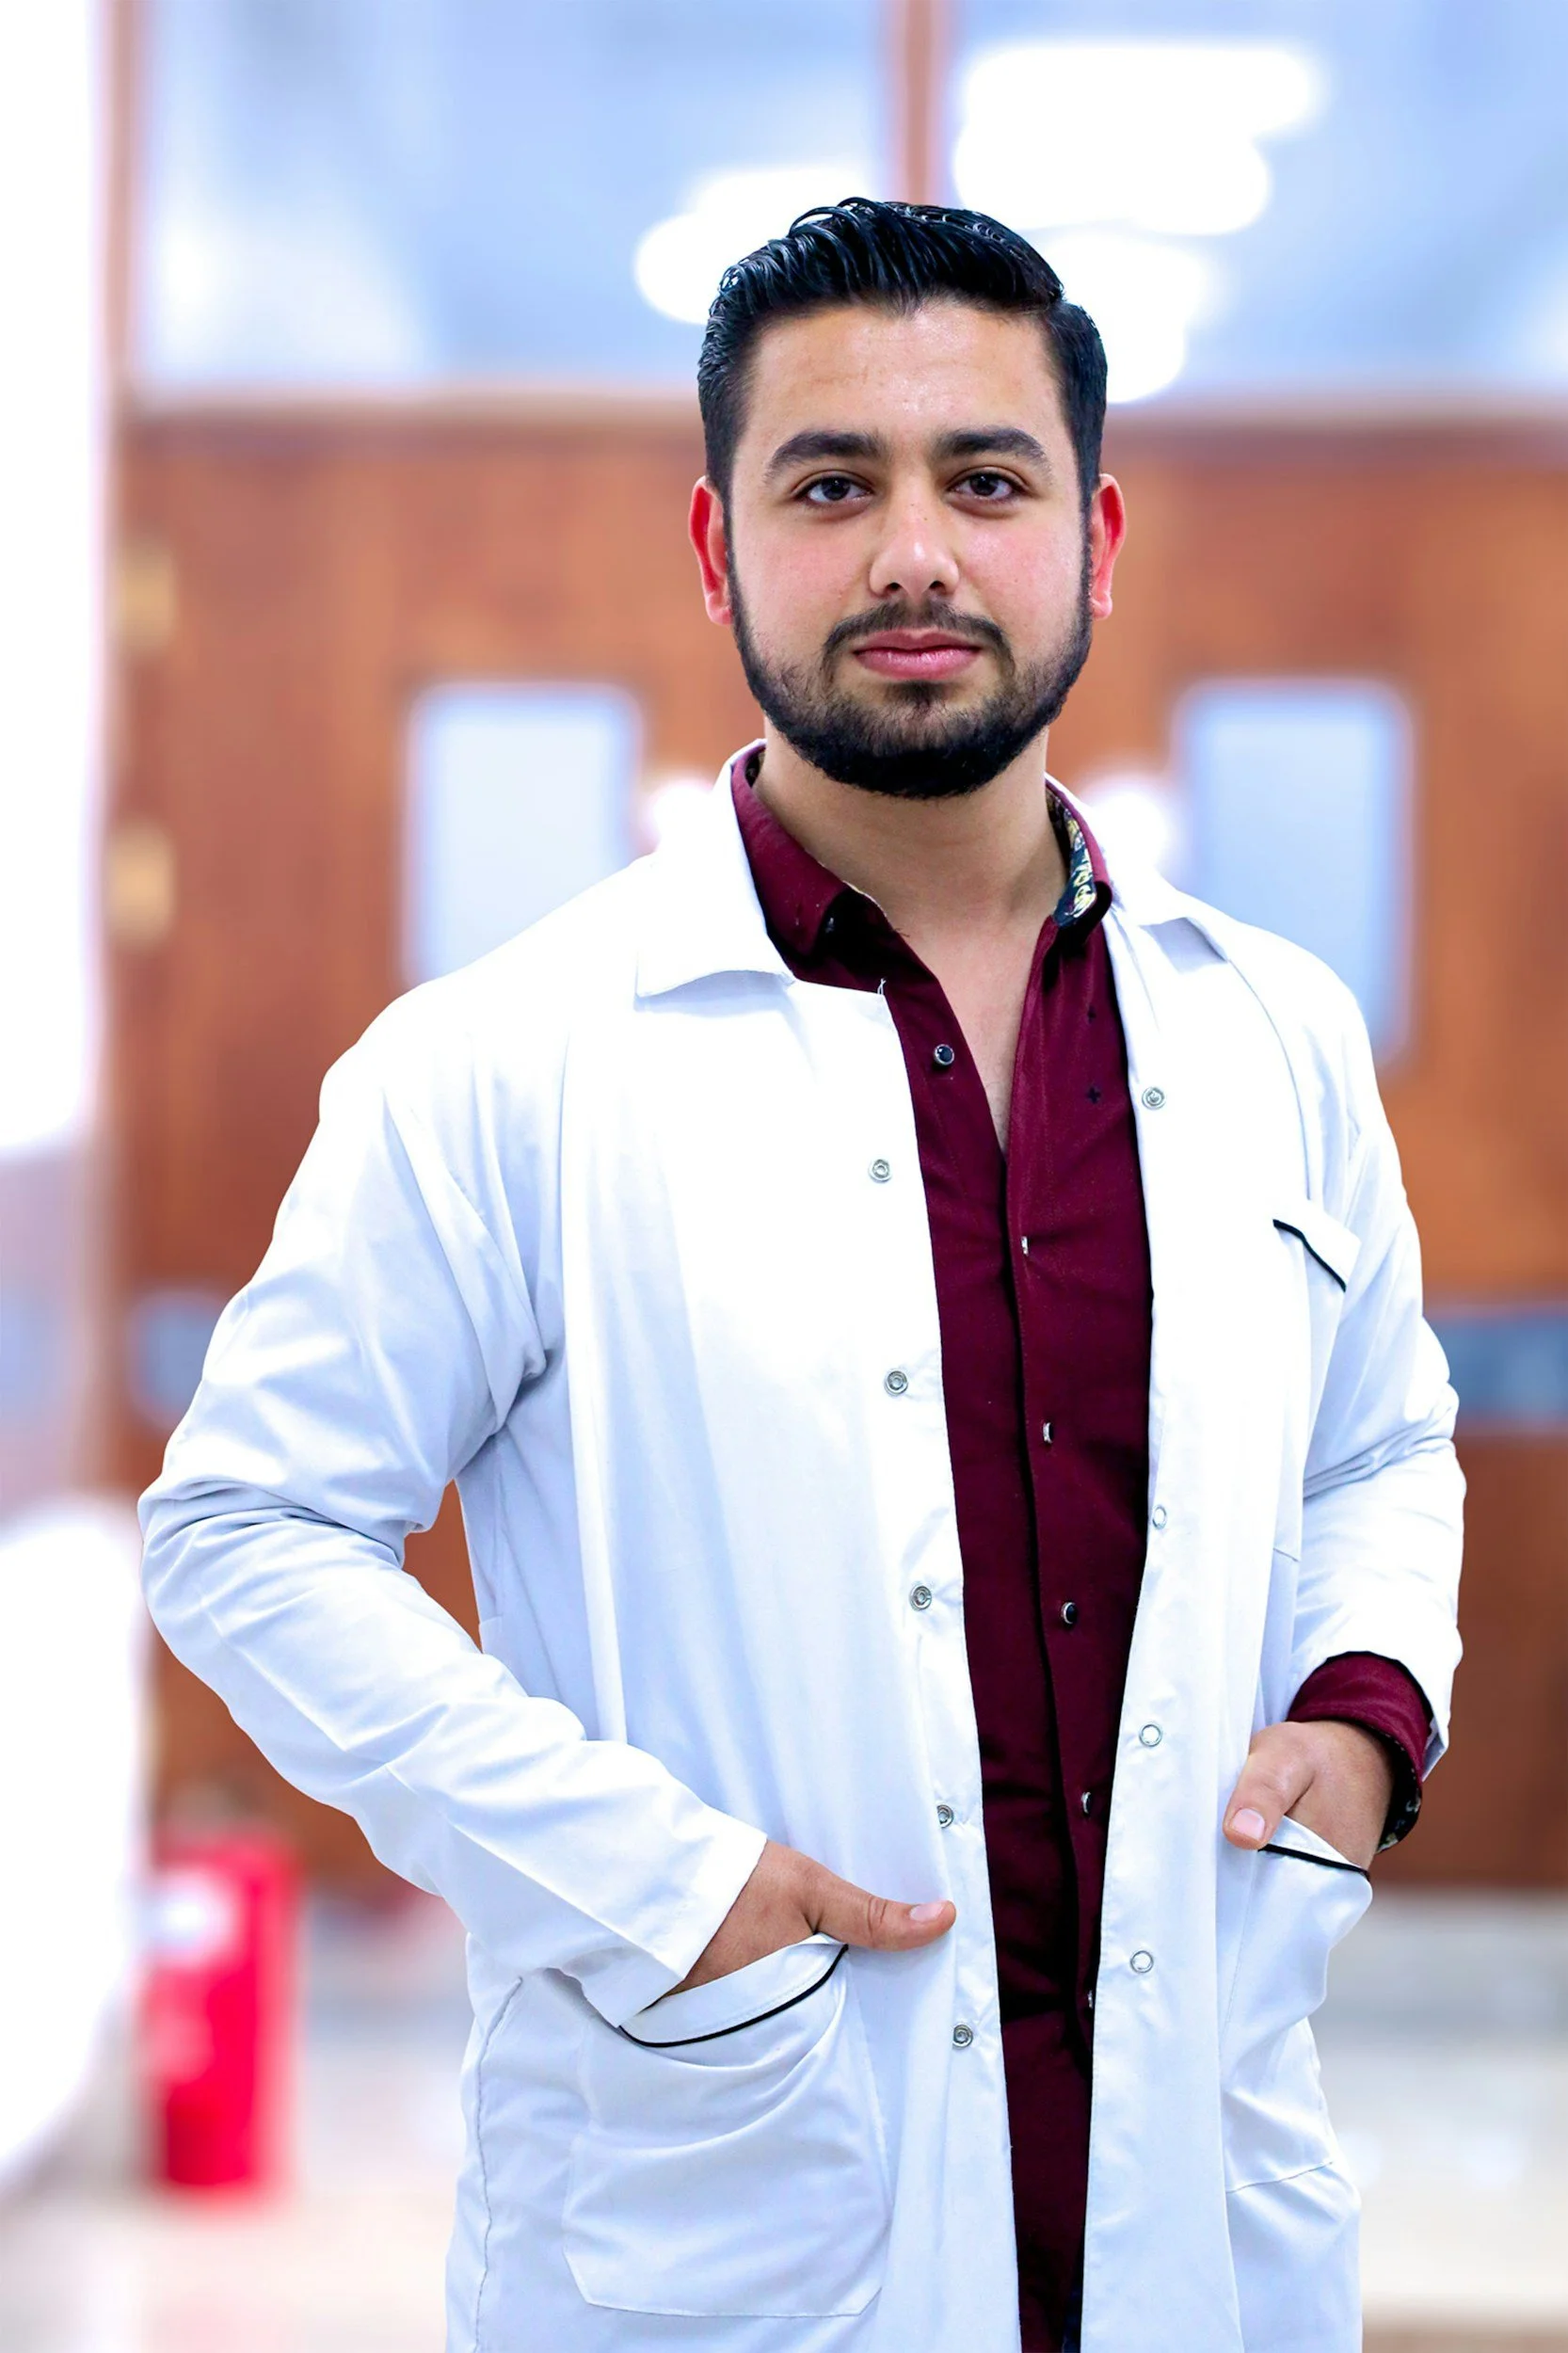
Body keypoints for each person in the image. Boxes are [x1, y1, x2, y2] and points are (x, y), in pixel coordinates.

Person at [139, 200, 1463, 2353]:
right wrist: (657, 1886)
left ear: (1096, 535)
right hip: (724, 2228)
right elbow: (245, 1532)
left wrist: (1359, 1703)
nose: (912, 554)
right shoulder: (508, 1060)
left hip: (1197, 2220)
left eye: (985, 479)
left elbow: (1382, 1437)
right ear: (715, 544)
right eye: (830, 483)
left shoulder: (1272, 1034)